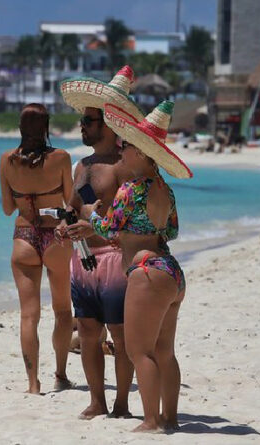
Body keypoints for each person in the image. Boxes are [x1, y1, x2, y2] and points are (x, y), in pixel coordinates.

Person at [79, 101, 192, 432]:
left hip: (145, 272)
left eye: (126, 146)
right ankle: (170, 418)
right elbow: (171, 231)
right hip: (171, 270)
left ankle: (151, 420)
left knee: (140, 351)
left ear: (142, 154)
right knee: (165, 352)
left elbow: (109, 228)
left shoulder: (131, 189)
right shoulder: (165, 190)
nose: (121, 150)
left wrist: (90, 214)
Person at [58, 66, 145, 419]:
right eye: (83, 120)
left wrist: (90, 227)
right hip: (82, 259)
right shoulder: (83, 165)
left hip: (113, 258)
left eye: (90, 120)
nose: (83, 126)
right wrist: (66, 221)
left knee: (121, 335)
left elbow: (128, 220)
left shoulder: (125, 166)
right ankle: (98, 400)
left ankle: (122, 403)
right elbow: (76, 207)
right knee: (89, 332)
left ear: (109, 124)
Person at [0, 103, 74, 394]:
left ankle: (32, 384)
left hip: (24, 236)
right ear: (46, 128)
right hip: (55, 236)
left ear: (20, 127)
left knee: (29, 316)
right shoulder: (62, 158)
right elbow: (69, 199)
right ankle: (61, 374)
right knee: (63, 310)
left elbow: (7, 209)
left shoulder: (7, 160)